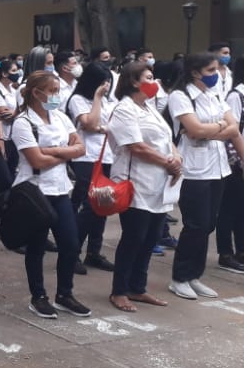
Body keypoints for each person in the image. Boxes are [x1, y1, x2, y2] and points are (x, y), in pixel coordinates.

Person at [12, 70, 91, 319]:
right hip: (35, 191)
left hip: (59, 189)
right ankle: (39, 296)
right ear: (36, 93)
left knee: (70, 244)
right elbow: (35, 159)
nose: (56, 96)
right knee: (36, 247)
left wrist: (52, 151)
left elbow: (80, 148)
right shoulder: (24, 122)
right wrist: (63, 151)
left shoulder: (60, 117)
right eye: (53, 91)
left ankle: (64, 294)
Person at [166, 52, 244, 299]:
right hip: (194, 170)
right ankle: (180, 277)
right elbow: (194, 129)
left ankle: (194, 275)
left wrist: (212, 130)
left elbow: (233, 128)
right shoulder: (181, 96)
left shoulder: (214, 94)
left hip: (218, 168)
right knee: (195, 224)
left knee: (208, 224)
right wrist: (217, 128)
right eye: (211, 70)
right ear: (195, 72)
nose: (216, 75)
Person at [107, 62, 182, 312]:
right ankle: (119, 291)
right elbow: (135, 146)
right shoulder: (124, 110)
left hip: (159, 183)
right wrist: (168, 163)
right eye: (149, 77)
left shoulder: (148, 107)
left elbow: (166, 138)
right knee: (133, 237)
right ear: (134, 81)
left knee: (151, 238)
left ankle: (137, 288)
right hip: (136, 182)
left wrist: (175, 157)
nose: (155, 82)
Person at [65, 61, 117, 273]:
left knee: (103, 204)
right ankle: (72, 251)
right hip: (85, 157)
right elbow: (89, 124)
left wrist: (102, 127)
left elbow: (110, 126)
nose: (106, 87)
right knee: (89, 205)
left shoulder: (110, 101)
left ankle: (94, 251)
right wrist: (96, 98)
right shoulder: (78, 100)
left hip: (107, 156)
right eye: (102, 83)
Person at [215, 55, 244, 273]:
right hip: (236, 161)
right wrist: (239, 160)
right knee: (230, 207)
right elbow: (232, 132)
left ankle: (241, 250)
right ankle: (225, 253)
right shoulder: (237, 95)